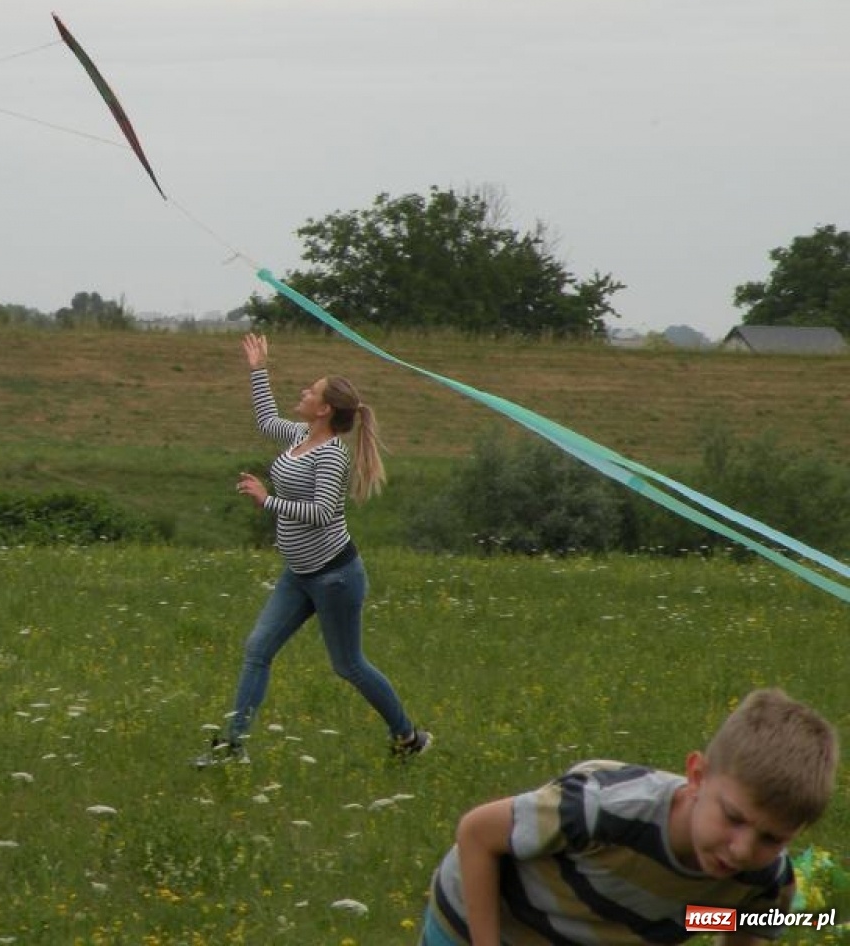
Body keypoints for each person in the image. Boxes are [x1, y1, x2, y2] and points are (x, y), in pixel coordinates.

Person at [421, 688, 839, 945]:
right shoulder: (608, 807)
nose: (743, 848)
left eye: (772, 839)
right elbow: (476, 833)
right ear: (697, 775)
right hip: (475, 925)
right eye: (732, 817)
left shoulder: (765, 885)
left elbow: (717, 920)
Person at [198, 332, 430, 765]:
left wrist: (267, 500)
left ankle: (408, 737)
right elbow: (267, 422)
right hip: (299, 573)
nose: (303, 392)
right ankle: (233, 747)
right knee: (257, 649)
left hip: (335, 577)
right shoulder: (301, 435)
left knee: (349, 667)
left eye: (311, 390)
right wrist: (258, 370)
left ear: (325, 409)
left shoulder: (330, 454)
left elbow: (323, 511)